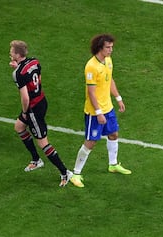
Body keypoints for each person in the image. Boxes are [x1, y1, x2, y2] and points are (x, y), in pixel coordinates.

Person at [70, 34, 131, 188]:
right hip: (94, 111)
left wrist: (118, 98)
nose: (111, 50)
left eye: (112, 47)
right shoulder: (91, 66)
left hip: (108, 107)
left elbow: (109, 79)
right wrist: (98, 112)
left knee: (114, 134)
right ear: (100, 48)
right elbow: (91, 92)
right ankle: (76, 173)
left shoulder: (108, 61)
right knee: (91, 142)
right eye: (108, 47)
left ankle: (113, 164)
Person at [9, 40, 73, 187]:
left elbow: (25, 97)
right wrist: (18, 67)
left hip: (32, 108)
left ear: (18, 54)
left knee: (43, 142)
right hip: (41, 101)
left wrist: (25, 112)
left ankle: (65, 172)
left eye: (12, 51)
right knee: (19, 127)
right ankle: (36, 160)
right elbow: (37, 77)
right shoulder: (34, 62)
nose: (10, 53)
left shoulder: (18, 74)